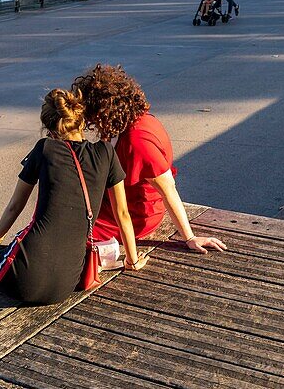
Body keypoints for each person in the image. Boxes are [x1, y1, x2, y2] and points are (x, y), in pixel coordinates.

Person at [0, 87, 147, 306]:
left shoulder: (45, 149)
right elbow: (123, 214)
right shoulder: (106, 152)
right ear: (81, 122)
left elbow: (15, 206)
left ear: (50, 130)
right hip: (66, 282)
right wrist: (132, 259)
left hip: (26, 270)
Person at [73, 64, 228, 254]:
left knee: (74, 230)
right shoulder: (128, 121)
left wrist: (189, 237)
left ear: (103, 111)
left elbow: (168, 189)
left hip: (135, 214)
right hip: (118, 202)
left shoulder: (137, 141)